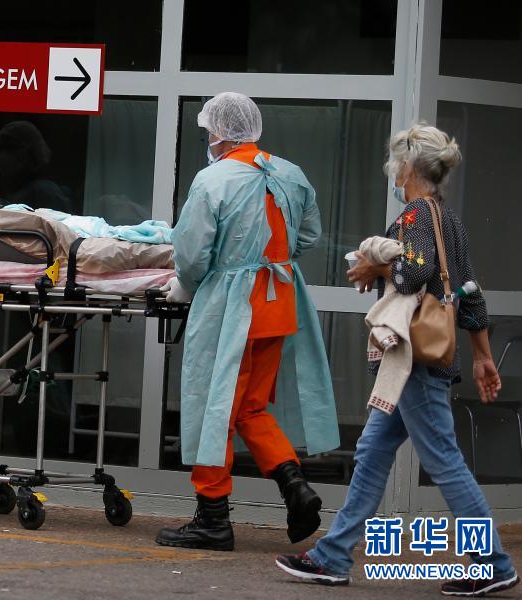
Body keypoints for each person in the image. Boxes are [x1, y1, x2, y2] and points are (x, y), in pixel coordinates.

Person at [276, 124, 518, 597]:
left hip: (414, 361)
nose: (393, 170)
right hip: (421, 362)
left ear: (407, 166)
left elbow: (413, 273)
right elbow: (470, 292)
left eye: (396, 162)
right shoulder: (449, 220)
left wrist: (375, 266)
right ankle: (331, 557)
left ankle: (493, 562)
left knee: (444, 460)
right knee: (371, 452)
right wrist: (483, 358)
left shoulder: (415, 215)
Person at [155, 92, 340, 551]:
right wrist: (268, 257)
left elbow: (191, 253)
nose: (208, 139)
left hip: (230, 309)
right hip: (278, 307)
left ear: (220, 132)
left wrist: (188, 283)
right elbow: (309, 236)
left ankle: (212, 518)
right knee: (250, 409)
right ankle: (295, 487)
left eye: (208, 132)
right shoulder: (291, 174)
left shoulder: (212, 179)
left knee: (213, 410)